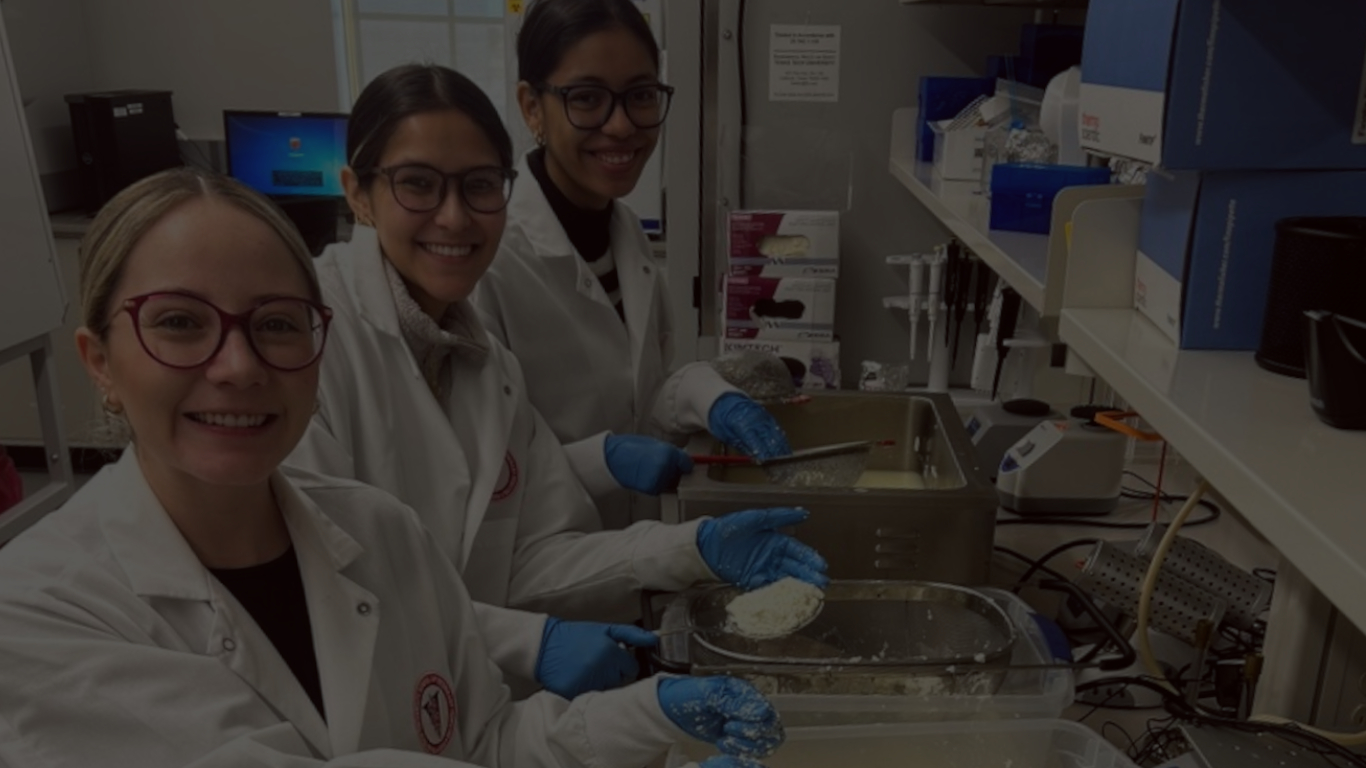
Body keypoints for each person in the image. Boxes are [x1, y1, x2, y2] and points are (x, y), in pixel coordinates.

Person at [0, 166, 784, 768]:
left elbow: (486, 742)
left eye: (278, 324)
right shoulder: (36, 613)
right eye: (179, 322)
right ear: (99, 362)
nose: (238, 366)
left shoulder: (380, 533)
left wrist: (648, 714)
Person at [284, 64, 827, 700]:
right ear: (358, 193)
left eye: (480, 185)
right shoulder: (304, 345)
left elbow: (530, 555)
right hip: (364, 712)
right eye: (418, 185)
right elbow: (334, 599)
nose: (454, 217)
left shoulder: (485, 365)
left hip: (479, 707)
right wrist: (528, 642)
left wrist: (691, 549)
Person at [472, 0, 792, 530]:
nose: (621, 125)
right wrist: (602, 461)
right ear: (532, 107)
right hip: (540, 563)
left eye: (640, 95)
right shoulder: (490, 261)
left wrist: (711, 397)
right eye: (587, 98)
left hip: (632, 548)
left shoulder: (626, 236)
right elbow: (485, 471)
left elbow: (643, 402)